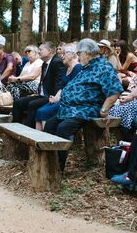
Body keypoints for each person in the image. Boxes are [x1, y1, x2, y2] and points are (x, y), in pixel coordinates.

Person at [44, 39, 123, 171]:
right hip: (69, 109)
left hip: (86, 110)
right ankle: (48, 162)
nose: (77, 56)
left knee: (63, 128)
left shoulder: (103, 67)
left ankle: (58, 168)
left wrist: (104, 109)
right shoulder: (86, 67)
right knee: (50, 125)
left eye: (79, 53)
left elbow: (115, 90)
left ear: (87, 53)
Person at [12, 42, 64, 128]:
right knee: (18, 102)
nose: (38, 52)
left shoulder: (57, 61)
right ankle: (14, 128)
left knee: (33, 104)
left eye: (41, 50)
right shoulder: (44, 63)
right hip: (41, 95)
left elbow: (59, 82)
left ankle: (29, 132)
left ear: (50, 51)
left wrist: (55, 97)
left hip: (51, 96)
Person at [35, 43, 82, 130]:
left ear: (72, 54)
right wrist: (55, 97)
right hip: (61, 99)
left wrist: (59, 98)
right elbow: (61, 87)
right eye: (61, 54)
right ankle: (36, 141)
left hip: (69, 103)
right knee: (39, 111)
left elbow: (72, 90)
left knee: (44, 112)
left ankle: (47, 140)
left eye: (63, 53)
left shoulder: (78, 68)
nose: (61, 56)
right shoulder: (65, 68)